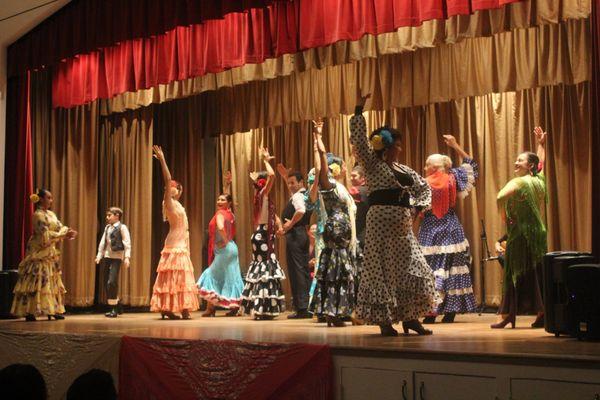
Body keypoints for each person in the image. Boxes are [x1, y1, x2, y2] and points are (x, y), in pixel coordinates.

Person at [350, 94, 437, 336]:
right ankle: (384, 321)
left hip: (402, 226)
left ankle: (410, 318)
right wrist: (359, 110)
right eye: (397, 144)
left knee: (411, 268)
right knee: (381, 270)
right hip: (380, 225)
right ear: (386, 146)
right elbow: (358, 141)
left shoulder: (403, 169)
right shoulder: (372, 164)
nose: (400, 148)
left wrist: (418, 207)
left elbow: (423, 188)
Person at [492, 127, 548, 329]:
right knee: (536, 272)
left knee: (512, 273)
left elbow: (500, 196)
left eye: (520, 161)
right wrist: (541, 145)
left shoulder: (519, 182)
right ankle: (542, 312)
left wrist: (507, 216)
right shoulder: (537, 179)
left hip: (520, 234)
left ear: (529, 165)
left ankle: (509, 314)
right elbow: (540, 164)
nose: (516, 163)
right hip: (537, 233)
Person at [418, 135, 478, 324]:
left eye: (427, 165)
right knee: (452, 268)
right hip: (451, 227)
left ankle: (431, 310)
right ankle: (449, 310)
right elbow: (471, 164)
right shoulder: (454, 178)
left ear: (433, 167)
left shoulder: (422, 182)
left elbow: (415, 208)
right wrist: (455, 145)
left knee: (431, 268)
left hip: (430, 228)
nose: (425, 168)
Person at [309, 119, 356, 327]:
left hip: (342, 232)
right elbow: (321, 166)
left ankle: (337, 311)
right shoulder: (326, 186)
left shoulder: (340, 187)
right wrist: (318, 139)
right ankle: (331, 312)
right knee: (335, 272)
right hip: (335, 232)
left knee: (340, 273)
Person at [11, 189, 77, 321]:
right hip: (39, 250)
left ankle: (52, 309)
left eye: (51, 198)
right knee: (37, 278)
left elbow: (59, 226)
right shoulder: (38, 215)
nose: (51, 200)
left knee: (51, 278)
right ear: (40, 199)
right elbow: (44, 235)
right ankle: (31, 310)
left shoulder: (51, 214)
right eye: (48, 198)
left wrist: (67, 231)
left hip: (49, 251)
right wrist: (63, 234)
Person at [150, 146, 199, 320]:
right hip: (173, 243)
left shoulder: (178, 205)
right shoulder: (168, 203)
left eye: (175, 187)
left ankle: (182, 308)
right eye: (169, 187)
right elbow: (168, 178)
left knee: (182, 275)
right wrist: (162, 160)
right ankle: (169, 308)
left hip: (181, 242)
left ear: (179, 191)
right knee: (175, 274)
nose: (171, 187)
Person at [240, 148, 286, 319]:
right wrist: (266, 160)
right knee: (265, 270)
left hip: (261, 234)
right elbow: (273, 176)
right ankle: (262, 307)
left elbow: (270, 214)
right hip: (263, 235)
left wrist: (279, 224)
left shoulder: (260, 196)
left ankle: (263, 307)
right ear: (263, 183)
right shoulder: (263, 193)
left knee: (262, 270)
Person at [198, 172, 244, 317]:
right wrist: (227, 185)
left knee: (211, 275)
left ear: (228, 203)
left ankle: (210, 308)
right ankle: (233, 307)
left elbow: (220, 227)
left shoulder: (220, 214)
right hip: (231, 248)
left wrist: (224, 240)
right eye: (218, 199)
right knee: (231, 277)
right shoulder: (230, 214)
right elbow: (228, 200)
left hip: (224, 249)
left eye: (222, 200)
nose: (218, 201)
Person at [276, 166, 313, 319]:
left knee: (296, 270)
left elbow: (301, 211)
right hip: (299, 233)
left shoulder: (299, 196)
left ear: (301, 182)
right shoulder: (304, 194)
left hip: (296, 235)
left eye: (293, 183)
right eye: (288, 183)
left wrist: (290, 224)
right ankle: (304, 306)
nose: (290, 186)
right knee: (302, 269)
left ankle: (302, 308)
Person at [95, 207, 131, 318]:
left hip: (117, 257)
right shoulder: (107, 228)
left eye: (109, 215)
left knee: (112, 281)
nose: (107, 217)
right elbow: (103, 243)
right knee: (107, 282)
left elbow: (127, 242)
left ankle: (113, 309)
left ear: (117, 216)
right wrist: (99, 255)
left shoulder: (122, 227)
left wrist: (127, 257)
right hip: (107, 256)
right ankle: (116, 303)